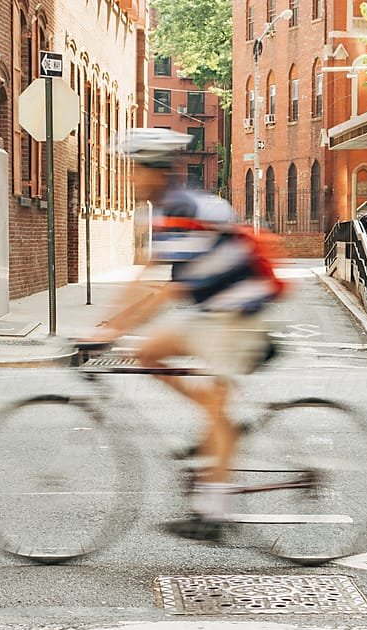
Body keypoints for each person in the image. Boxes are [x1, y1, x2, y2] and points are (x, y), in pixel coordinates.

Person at [88, 128, 282, 541]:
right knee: (149, 353)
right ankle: (222, 425)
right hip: (211, 310)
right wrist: (106, 326)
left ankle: (213, 510)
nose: (130, 178)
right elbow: (147, 276)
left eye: (135, 170)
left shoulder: (184, 208)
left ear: (156, 171)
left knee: (213, 403)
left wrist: (113, 330)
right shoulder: (170, 211)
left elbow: (168, 289)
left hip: (240, 311)